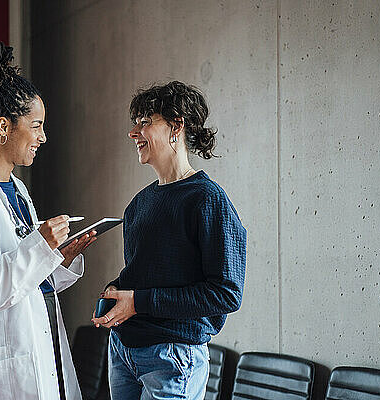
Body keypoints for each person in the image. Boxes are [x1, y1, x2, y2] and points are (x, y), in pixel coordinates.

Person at [0, 41, 96, 400]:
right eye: (36, 126)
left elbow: (26, 279)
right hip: (5, 372)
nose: (42, 137)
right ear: (3, 127)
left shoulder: (16, 190)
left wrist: (61, 257)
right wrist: (40, 249)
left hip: (41, 353)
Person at [92, 81, 247, 399]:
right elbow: (149, 275)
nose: (133, 133)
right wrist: (116, 289)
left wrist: (138, 302)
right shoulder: (138, 203)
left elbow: (226, 294)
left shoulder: (207, 199)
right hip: (123, 349)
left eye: (145, 122)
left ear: (176, 127)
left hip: (173, 357)